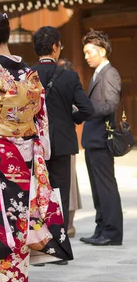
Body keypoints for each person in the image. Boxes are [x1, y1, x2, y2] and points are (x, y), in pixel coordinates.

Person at [0, 11, 73, 282]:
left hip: (0, 152)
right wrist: (41, 149)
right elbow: (41, 115)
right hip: (26, 151)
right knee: (21, 215)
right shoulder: (28, 71)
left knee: (2, 216)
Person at [32, 27, 93, 262]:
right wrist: (71, 119)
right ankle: (60, 249)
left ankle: (38, 245)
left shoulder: (27, 75)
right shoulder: (69, 77)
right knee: (60, 195)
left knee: (36, 194)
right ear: (56, 46)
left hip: (34, 144)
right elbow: (88, 109)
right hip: (62, 143)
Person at [81, 29, 123, 246]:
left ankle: (112, 232)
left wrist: (85, 109)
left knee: (106, 186)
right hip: (93, 139)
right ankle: (101, 229)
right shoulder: (98, 73)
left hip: (102, 139)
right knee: (97, 187)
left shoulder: (110, 73)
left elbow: (111, 105)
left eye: (89, 52)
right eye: (85, 52)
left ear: (102, 50)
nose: (86, 56)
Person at [57, 58, 83, 238]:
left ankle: (69, 224)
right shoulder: (70, 87)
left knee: (69, 184)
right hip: (65, 140)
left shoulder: (65, 87)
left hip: (60, 141)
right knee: (69, 183)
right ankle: (68, 225)